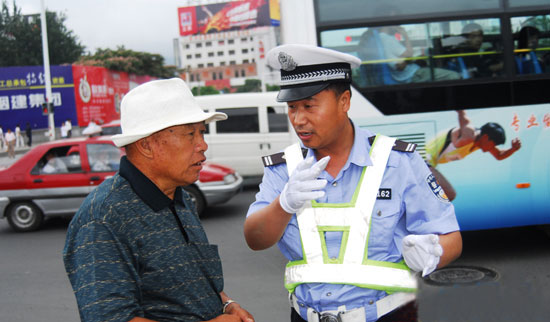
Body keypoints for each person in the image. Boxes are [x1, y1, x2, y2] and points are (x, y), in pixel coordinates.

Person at [244, 44, 462, 322]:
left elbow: (451, 236)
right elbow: (255, 239)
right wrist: (283, 204)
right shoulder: (284, 168)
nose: (299, 120)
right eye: (292, 108)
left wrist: (434, 253)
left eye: (309, 106)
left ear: (344, 101)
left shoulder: (397, 161)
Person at [63, 78, 255, 322]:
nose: (203, 145)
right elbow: (110, 318)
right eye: (190, 134)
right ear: (146, 145)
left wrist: (227, 304)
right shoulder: (103, 217)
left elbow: (193, 282)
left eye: (202, 132)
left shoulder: (180, 197)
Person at [425, 110, 522, 201]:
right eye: (493, 144)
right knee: (449, 194)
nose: (492, 148)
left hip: (427, 163)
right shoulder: (470, 135)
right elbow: (463, 116)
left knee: (442, 195)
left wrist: (512, 149)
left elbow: (499, 155)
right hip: (423, 160)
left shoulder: (479, 142)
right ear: (486, 137)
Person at [358, 26, 460, 85]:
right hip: (412, 74)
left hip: (407, 73)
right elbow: (409, 54)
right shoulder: (387, 39)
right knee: (454, 76)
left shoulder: (379, 39)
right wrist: (405, 34)